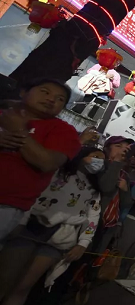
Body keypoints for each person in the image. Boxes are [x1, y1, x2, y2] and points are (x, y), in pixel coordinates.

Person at [0, 147, 104, 305]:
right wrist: (20, 220)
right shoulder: (58, 172)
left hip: (59, 237)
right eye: (95, 156)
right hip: (31, 228)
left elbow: (93, 216)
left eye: (102, 159)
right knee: (6, 281)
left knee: (24, 286)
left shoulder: (94, 188)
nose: (98, 161)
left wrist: (83, 242)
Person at [0, 78, 82, 243]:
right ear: (24, 92)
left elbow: (47, 162)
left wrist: (17, 129)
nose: (51, 99)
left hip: (5, 204)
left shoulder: (64, 131)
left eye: (60, 99)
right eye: (45, 92)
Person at [92, 137, 133, 254]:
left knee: (93, 259)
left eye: (125, 148)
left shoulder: (124, 175)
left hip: (109, 226)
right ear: (107, 148)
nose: (122, 150)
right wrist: (117, 162)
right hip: (92, 220)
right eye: (118, 146)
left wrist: (125, 190)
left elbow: (126, 203)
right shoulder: (98, 166)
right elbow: (106, 187)